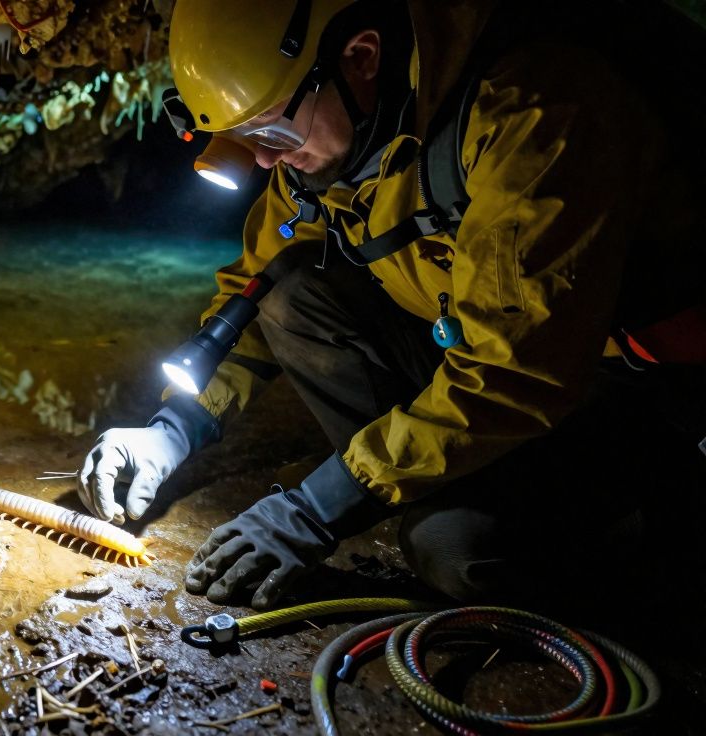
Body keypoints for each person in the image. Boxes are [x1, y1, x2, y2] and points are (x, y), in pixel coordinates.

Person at [78, 0, 706, 611]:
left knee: (455, 552)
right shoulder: (331, 137)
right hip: (474, 351)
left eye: (270, 130)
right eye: (244, 138)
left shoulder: (532, 112)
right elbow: (254, 286)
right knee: (289, 291)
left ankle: (653, 528)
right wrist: (173, 428)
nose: (265, 158)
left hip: (627, 386)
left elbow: (514, 369)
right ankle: (430, 476)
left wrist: (319, 506)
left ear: (362, 56)